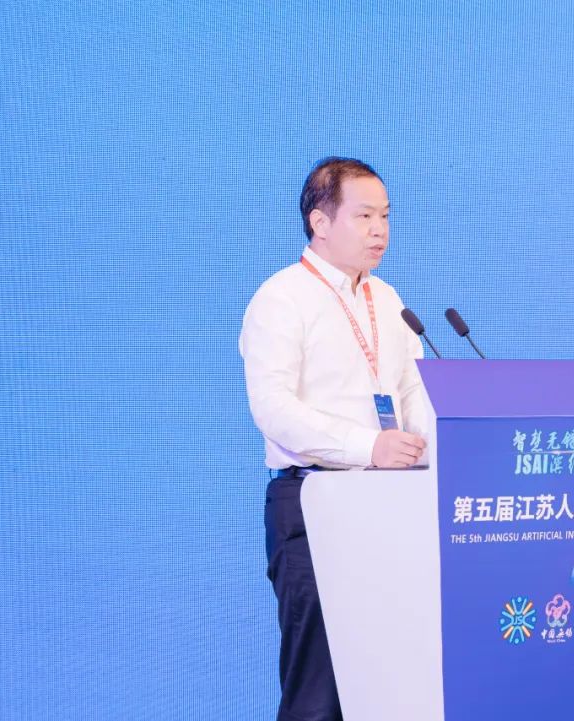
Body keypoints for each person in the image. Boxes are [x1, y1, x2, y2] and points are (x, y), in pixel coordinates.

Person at [239, 157, 429, 721]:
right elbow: (274, 409)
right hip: (314, 504)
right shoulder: (282, 298)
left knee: (391, 684)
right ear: (319, 222)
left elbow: (413, 393)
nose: (380, 230)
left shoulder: (388, 299)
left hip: (392, 506)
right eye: (364, 216)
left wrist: (438, 445)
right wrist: (368, 447)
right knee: (319, 693)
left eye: (386, 216)